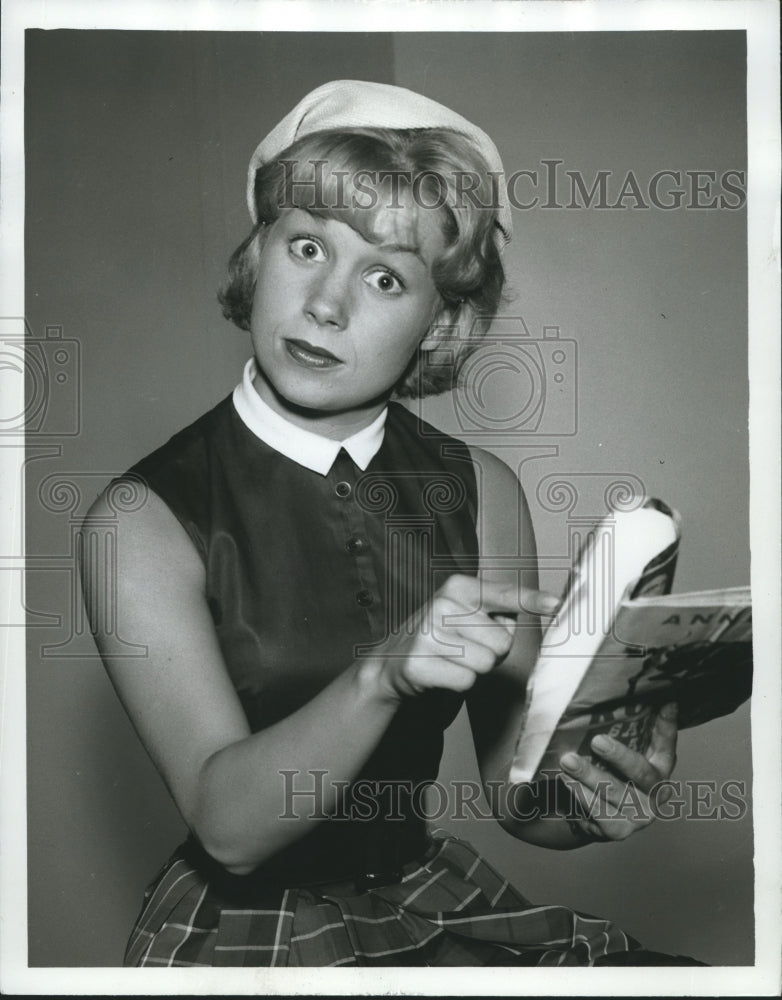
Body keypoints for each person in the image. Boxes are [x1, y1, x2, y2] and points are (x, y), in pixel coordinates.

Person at [81, 80, 693, 968]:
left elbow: (516, 803)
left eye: (383, 276)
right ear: (257, 256)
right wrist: (381, 677)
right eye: (305, 248)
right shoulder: (139, 520)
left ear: (438, 321)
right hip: (249, 935)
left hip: (426, 898)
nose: (326, 306)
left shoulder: (481, 488)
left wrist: (592, 797)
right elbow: (228, 831)